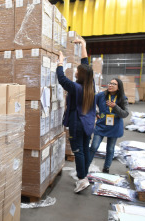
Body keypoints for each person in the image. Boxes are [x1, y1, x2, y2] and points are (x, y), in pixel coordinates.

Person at [56, 39, 96, 193]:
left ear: (81, 75)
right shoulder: (90, 85)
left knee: (78, 151)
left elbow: (62, 79)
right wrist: (83, 46)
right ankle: (84, 175)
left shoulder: (76, 87)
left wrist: (60, 62)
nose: (76, 72)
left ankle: (81, 179)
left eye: (78, 71)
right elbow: (86, 64)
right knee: (84, 149)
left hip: (77, 123)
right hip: (87, 123)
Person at [89, 78, 129, 173]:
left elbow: (125, 114)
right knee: (94, 146)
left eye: (113, 84)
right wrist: (96, 112)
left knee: (110, 149)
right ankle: (86, 165)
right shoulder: (101, 95)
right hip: (102, 124)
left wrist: (115, 107)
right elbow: (90, 102)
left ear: (119, 87)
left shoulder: (123, 98)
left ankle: (106, 168)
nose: (110, 85)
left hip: (114, 126)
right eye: (110, 83)